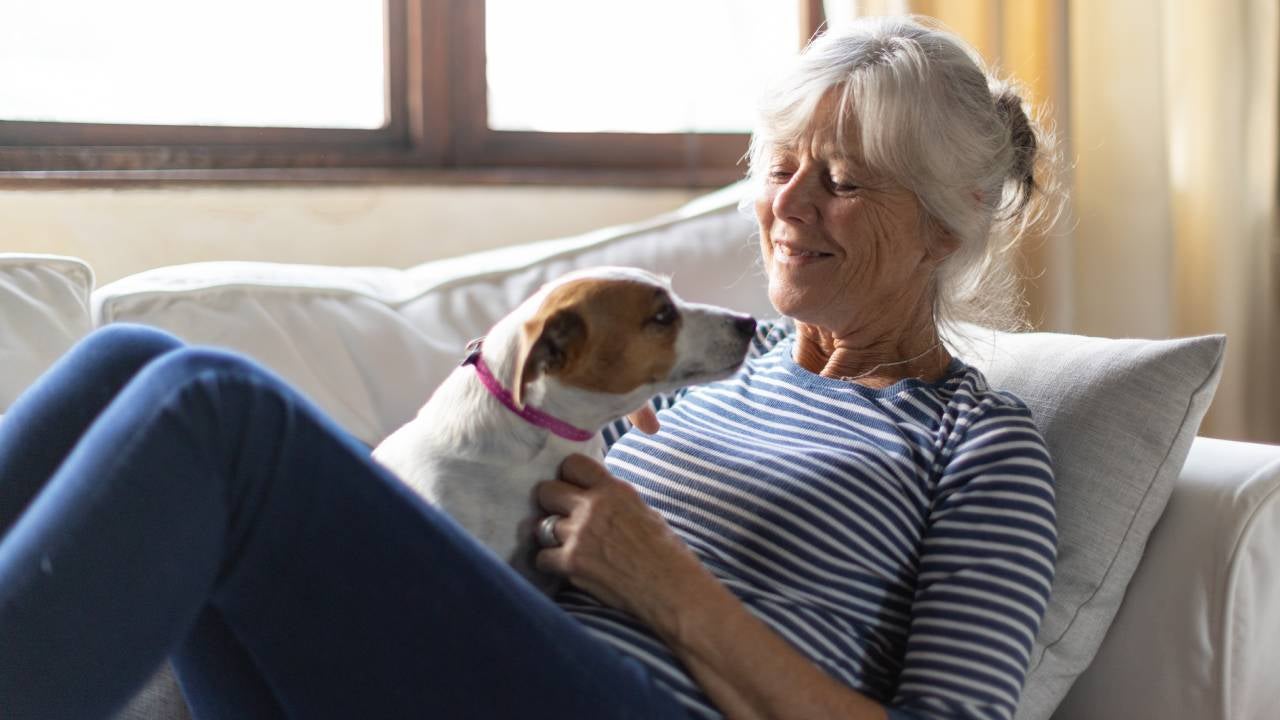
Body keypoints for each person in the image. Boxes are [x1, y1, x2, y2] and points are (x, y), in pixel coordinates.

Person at [0, 15, 1057, 720]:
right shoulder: (701, 364)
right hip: (470, 663)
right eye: (777, 168)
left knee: (212, 409)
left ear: (942, 225)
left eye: (837, 182)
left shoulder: (978, 445)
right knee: (131, 362)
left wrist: (663, 583)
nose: (783, 207)